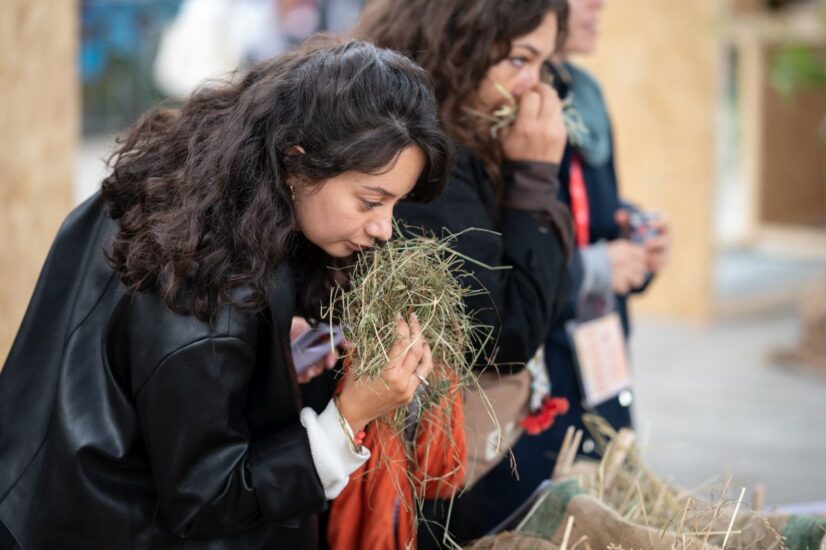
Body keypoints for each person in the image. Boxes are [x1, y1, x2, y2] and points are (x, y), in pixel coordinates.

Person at [0, 38, 451, 549]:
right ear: (297, 162)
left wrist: (268, 356)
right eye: (371, 201)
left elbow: (144, 375)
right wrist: (350, 416)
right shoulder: (205, 294)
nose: (384, 228)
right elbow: (208, 500)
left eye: (395, 204)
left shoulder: (173, 187)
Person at [354, 1, 573, 547]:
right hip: (442, 476)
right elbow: (503, 337)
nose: (534, 87)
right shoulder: (425, 159)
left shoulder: (472, 138)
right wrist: (535, 177)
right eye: (519, 60)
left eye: (543, 65)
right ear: (460, 45)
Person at [457, 0, 674, 537]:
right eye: (521, 58)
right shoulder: (493, 106)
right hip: (530, 379)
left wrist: (635, 245)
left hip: (597, 363)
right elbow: (494, 268)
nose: (599, 4)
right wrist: (593, 269)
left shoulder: (584, 97)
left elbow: (589, 217)